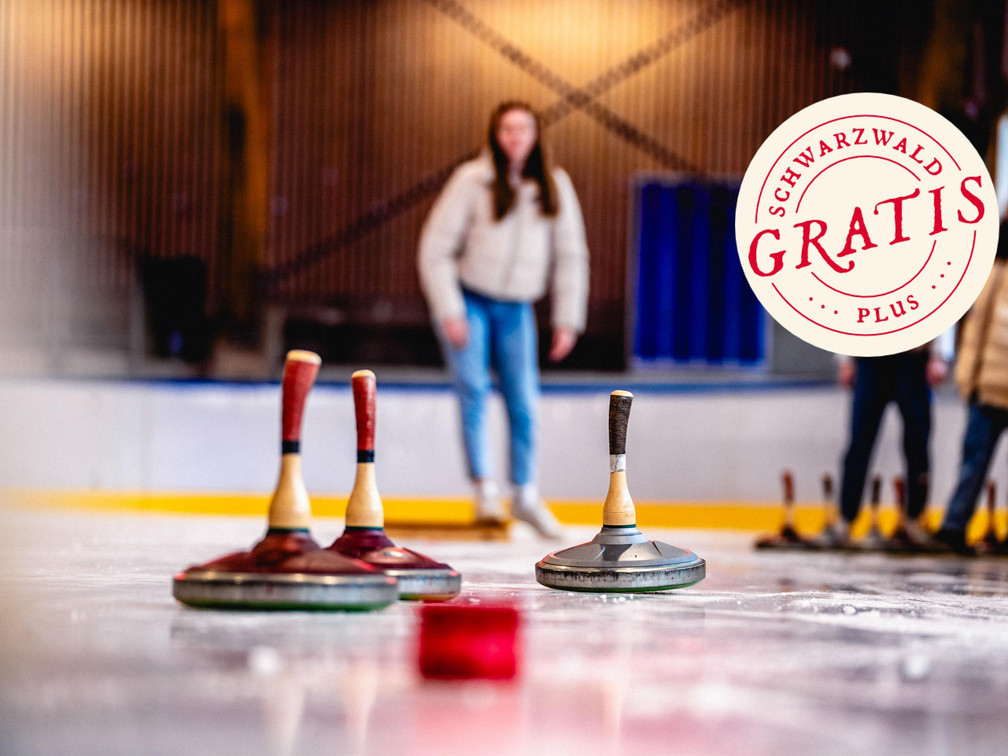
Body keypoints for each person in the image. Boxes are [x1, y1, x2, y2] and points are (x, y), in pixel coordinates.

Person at [417, 101, 589, 537]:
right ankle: (485, 490)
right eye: (507, 129)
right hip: (470, 301)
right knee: (473, 390)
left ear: (535, 136)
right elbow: (435, 250)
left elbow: (571, 257)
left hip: (517, 308)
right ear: (495, 134)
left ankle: (525, 494)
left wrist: (568, 318)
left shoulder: (554, 186)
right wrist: (449, 309)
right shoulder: (471, 181)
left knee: (524, 400)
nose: (515, 137)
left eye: (523, 129)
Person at [822, 343, 949, 547]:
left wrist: (938, 356)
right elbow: (852, 313)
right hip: (870, 354)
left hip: (913, 356)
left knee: (917, 442)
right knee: (859, 443)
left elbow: (937, 312)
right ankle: (846, 518)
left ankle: (914, 519)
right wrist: (845, 359)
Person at [934, 232, 1008, 554]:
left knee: (973, 460)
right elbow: (975, 331)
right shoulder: (993, 272)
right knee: (972, 461)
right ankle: (954, 526)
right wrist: (968, 378)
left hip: (988, 386)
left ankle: (954, 526)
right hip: (988, 388)